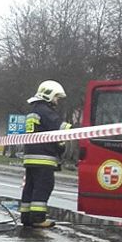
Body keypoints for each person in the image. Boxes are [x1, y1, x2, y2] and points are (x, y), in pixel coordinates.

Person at [20, 80, 71, 228]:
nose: (57, 101)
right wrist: (79, 130)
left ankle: (26, 216)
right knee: (43, 186)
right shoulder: (45, 111)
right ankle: (38, 218)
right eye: (56, 97)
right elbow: (60, 128)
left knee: (30, 186)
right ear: (48, 95)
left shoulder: (33, 110)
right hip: (44, 157)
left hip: (30, 156)